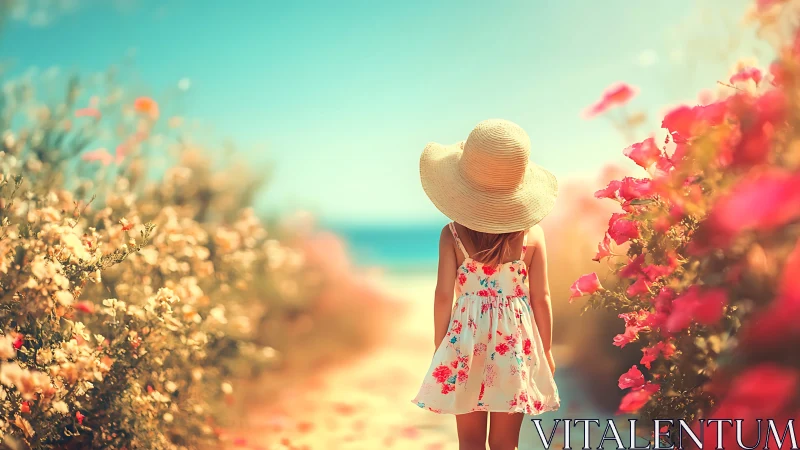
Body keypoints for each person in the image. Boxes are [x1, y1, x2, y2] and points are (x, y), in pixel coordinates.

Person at [412, 119, 561, 450]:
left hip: (466, 342)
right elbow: (542, 298)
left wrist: (441, 345)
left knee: (469, 442)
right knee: (507, 444)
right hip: (515, 343)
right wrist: (546, 349)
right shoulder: (533, 235)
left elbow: (441, 297)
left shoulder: (452, 235)